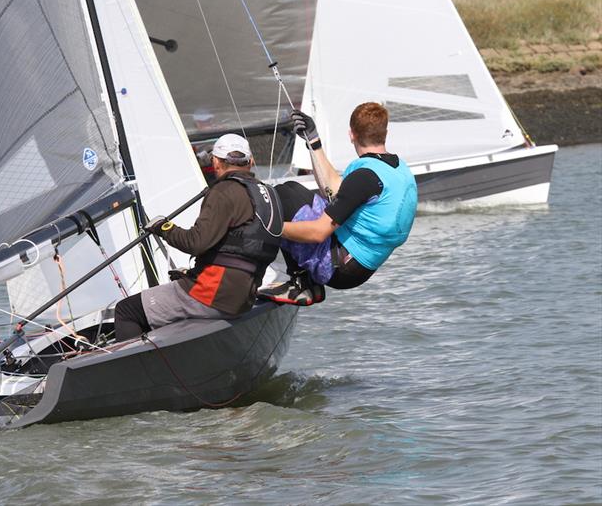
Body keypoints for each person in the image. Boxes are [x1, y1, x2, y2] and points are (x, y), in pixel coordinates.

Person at [114, 133, 283, 341]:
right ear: (250, 162)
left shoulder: (224, 191)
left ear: (216, 162)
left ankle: (137, 371)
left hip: (212, 296)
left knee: (126, 310)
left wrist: (163, 227)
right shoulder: (269, 194)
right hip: (244, 297)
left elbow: (195, 243)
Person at [260, 102, 417, 305]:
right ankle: (308, 286)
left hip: (341, 268)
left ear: (351, 134)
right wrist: (313, 140)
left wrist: (268, 228)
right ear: (385, 133)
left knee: (281, 197)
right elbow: (334, 190)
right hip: (360, 266)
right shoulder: (397, 169)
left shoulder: (364, 177)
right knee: (291, 191)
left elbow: (318, 232)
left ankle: (300, 285)